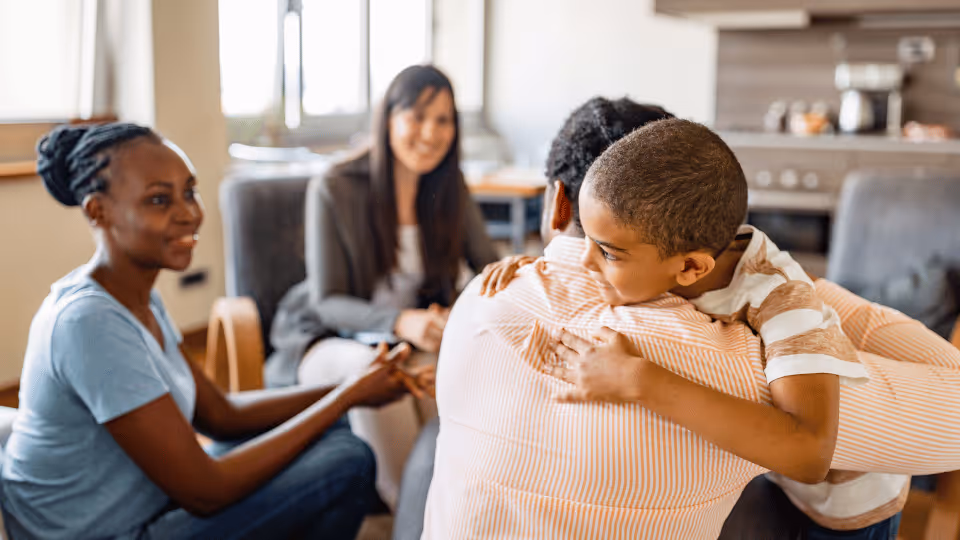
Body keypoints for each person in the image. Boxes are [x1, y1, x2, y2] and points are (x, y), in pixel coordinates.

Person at [419, 106, 960, 538]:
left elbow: (810, 452)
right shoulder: (664, 285)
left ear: (691, 267)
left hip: (849, 506)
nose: (582, 262)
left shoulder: (786, 311)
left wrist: (640, 381)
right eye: (582, 237)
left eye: (605, 251)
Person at [1, 122, 421, 540]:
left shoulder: (136, 296)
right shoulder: (88, 322)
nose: (189, 213)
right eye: (160, 200)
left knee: (335, 430)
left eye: (190, 191)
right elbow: (206, 492)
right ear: (98, 211)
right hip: (108, 532)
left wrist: (353, 388)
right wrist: (345, 397)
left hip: (150, 502)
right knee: (347, 459)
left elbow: (221, 415)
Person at [269, 64, 499, 508]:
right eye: (417, 116)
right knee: (378, 372)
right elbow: (327, 300)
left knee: (457, 366)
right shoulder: (334, 188)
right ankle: (406, 513)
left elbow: (490, 270)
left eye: (443, 120)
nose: (430, 133)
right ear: (388, 118)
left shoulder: (451, 188)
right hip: (327, 339)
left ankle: (452, 510)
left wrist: (457, 314)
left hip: (407, 338)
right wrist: (401, 320)